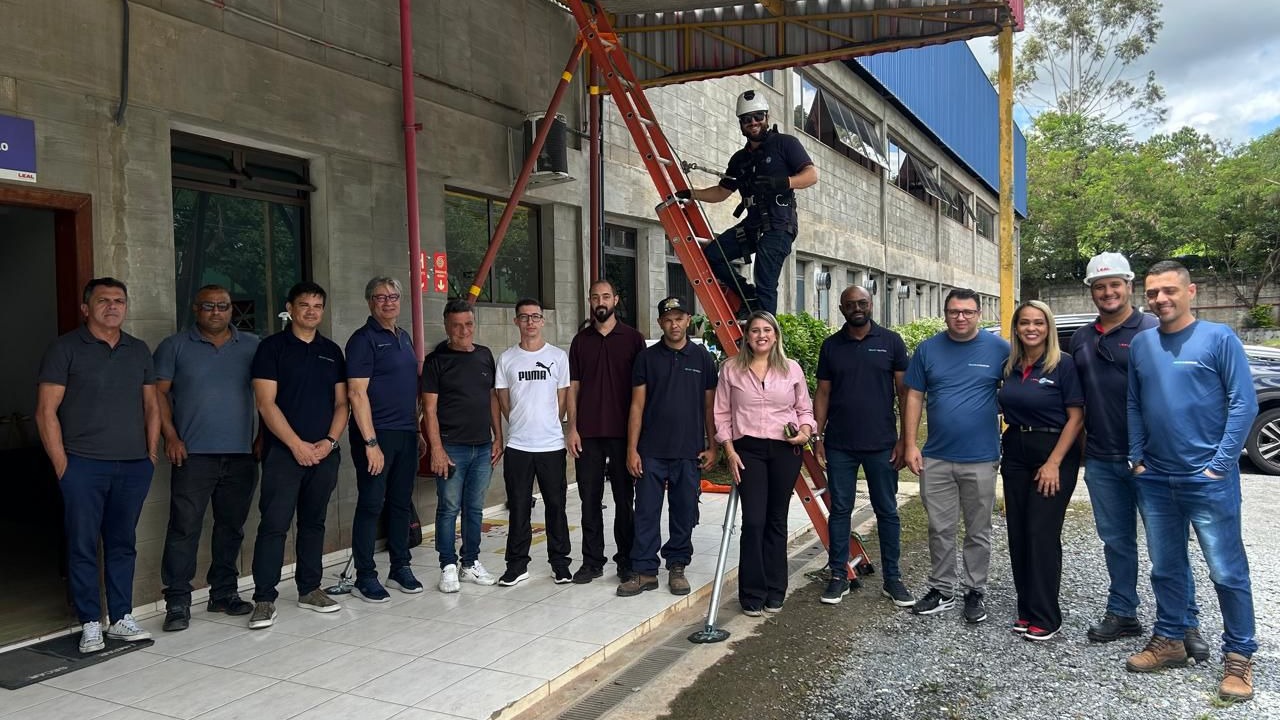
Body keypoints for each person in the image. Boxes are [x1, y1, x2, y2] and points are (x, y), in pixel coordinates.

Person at [1125, 260, 1258, 703]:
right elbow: (1133, 404)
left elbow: (1244, 405)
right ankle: (1171, 640)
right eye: (1152, 293)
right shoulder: (1142, 344)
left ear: (1191, 291)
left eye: (1168, 291)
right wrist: (1137, 457)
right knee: (1165, 566)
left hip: (1207, 479)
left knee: (1226, 570)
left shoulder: (1219, 338)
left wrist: (1219, 464)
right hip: (1156, 477)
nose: (1160, 299)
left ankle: (1239, 656)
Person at [1068, 252, 1206, 658]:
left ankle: (1183, 622)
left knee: (1169, 545)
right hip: (1101, 457)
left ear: (1128, 286)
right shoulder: (1082, 338)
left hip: (1153, 460)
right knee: (1116, 541)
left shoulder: (1153, 329)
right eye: (1099, 285)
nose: (1108, 292)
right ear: (1091, 291)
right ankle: (1123, 611)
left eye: (1115, 284)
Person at [35, 277, 159, 653]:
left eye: (119, 300)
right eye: (103, 301)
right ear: (87, 308)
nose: (112, 306)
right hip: (83, 466)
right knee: (83, 544)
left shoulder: (138, 350)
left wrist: (150, 455)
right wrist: (62, 466)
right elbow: (45, 411)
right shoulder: (65, 349)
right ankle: (90, 622)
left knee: (123, 543)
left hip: (133, 465)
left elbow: (152, 406)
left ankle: (121, 617)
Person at [154, 284, 260, 632]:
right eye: (209, 306)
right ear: (195, 309)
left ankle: (223, 594)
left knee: (231, 528)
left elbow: (268, 395)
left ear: (233, 310)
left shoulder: (251, 346)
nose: (217, 312)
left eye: (223, 306)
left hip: (242, 454)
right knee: (184, 528)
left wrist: (262, 437)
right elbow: (158, 396)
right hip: (193, 454)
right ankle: (178, 602)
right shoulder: (175, 347)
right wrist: (170, 436)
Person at [902, 288, 1009, 623]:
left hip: (981, 457)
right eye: (954, 312)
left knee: (978, 530)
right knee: (940, 527)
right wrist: (909, 444)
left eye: (967, 311)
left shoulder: (1000, 350)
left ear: (979, 314)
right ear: (945, 313)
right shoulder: (928, 349)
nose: (960, 317)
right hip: (937, 457)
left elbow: (1019, 390)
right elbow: (914, 396)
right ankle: (942, 589)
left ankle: (975, 590)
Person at [247, 282, 349, 629]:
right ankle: (263, 598)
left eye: (317, 305)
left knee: (313, 522)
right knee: (274, 525)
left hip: (323, 453)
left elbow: (342, 403)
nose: (311, 311)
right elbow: (265, 403)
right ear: (290, 307)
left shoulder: (332, 351)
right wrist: (296, 445)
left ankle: (310, 588)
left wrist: (329, 442)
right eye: (304, 305)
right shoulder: (271, 349)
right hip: (283, 453)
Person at [813, 286, 914, 607]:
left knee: (886, 510)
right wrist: (817, 437)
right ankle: (838, 576)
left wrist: (904, 440)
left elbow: (904, 393)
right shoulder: (831, 347)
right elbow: (823, 394)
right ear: (841, 309)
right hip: (840, 445)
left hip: (882, 445)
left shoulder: (891, 342)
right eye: (850, 305)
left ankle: (893, 579)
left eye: (862, 303)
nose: (857, 308)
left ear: (871, 305)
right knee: (840, 510)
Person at [678, 89, 818, 316]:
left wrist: (782, 182)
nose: (753, 123)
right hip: (753, 225)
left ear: (767, 117)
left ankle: (766, 334)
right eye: (746, 119)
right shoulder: (739, 159)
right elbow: (722, 192)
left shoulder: (785, 144)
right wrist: (692, 194)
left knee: (765, 277)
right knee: (713, 254)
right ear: (741, 123)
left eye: (758, 117)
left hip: (779, 224)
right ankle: (747, 295)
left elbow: (811, 175)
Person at [716, 310, 815, 615]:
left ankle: (776, 589)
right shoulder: (731, 369)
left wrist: (805, 432)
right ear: (747, 336)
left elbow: (804, 410)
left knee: (776, 520)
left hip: (784, 450)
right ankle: (752, 593)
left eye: (767, 330)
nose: (761, 335)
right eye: (755, 330)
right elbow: (721, 414)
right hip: (748, 451)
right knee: (754, 521)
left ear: (775, 336)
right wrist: (729, 451)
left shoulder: (792, 369)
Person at [997, 301, 1084, 641]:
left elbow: (1076, 417)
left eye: (1039, 323)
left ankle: (1047, 616)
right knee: (1018, 532)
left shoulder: (1063, 365)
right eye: (1024, 323)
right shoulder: (1012, 365)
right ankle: (1026, 608)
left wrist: (1054, 463)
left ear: (1048, 328)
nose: (1031, 328)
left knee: (1042, 533)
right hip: (1016, 449)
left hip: (1052, 453)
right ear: (1016, 328)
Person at [619, 296, 717, 597]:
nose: (674, 324)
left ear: (688, 320)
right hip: (651, 451)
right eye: (668, 319)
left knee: (684, 510)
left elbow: (710, 407)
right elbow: (636, 406)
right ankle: (645, 571)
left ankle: (677, 566)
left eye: (679, 318)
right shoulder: (647, 358)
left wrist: (713, 446)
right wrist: (631, 449)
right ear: (660, 322)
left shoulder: (702, 358)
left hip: (688, 452)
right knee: (647, 511)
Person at [345, 277, 428, 603]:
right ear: (370, 302)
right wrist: (370, 443)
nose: (388, 302)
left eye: (393, 296)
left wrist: (417, 430)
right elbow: (356, 393)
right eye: (381, 297)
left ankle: (400, 567)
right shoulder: (363, 340)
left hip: (405, 434)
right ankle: (365, 576)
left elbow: (409, 391)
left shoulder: (403, 337)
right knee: (371, 504)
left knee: (399, 502)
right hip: (375, 436)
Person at [567, 280, 647, 584]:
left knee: (624, 499)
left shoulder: (633, 339)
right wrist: (571, 428)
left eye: (605, 296)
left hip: (623, 434)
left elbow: (642, 392)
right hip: (587, 433)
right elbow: (573, 387)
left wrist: (638, 441)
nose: (600, 301)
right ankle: (592, 561)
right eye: (594, 297)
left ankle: (626, 559)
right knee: (589, 499)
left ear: (616, 299)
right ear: (589, 302)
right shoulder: (580, 341)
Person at [421, 299, 504, 593]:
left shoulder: (484, 355)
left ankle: (470, 563)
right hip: (451, 447)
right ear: (446, 326)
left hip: (482, 446)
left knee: (475, 509)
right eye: (456, 325)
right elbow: (429, 410)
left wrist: (499, 436)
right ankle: (448, 566)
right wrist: (437, 449)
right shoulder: (435, 362)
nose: (463, 330)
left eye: (468, 324)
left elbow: (492, 397)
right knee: (448, 508)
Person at [495, 298, 572, 586]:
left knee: (556, 506)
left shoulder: (558, 357)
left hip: (551, 445)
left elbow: (563, 400)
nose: (530, 322)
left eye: (535, 317)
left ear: (543, 321)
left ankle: (560, 564)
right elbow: (504, 402)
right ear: (516, 321)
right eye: (524, 317)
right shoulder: (507, 359)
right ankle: (516, 565)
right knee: (518, 506)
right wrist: (520, 423)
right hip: (519, 446)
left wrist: (550, 423)